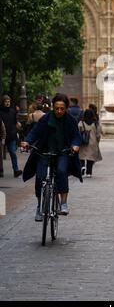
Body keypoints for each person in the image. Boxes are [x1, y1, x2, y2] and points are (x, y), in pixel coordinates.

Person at [21, 93, 82, 221]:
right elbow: (35, 132)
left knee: (61, 171)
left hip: (63, 152)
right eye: (57, 108)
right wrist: (27, 142)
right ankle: (39, 206)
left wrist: (75, 145)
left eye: (62, 108)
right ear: (53, 107)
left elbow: (76, 136)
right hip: (44, 153)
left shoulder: (70, 120)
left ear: (66, 108)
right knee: (40, 177)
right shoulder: (45, 119)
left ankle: (63, 203)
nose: (59, 111)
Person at [0, 95, 23, 177]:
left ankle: (16, 170)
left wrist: (18, 125)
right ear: (3, 102)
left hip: (11, 135)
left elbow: (15, 122)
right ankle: (1, 171)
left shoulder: (12, 111)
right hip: (2, 136)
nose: (7, 103)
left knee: (13, 153)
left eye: (8, 102)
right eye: (6, 102)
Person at [79, 109, 102, 177]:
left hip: (83, 142)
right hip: (92, 142)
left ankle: (82, 167)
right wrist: (97, 141)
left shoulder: (81, 122)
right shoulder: (95, 123)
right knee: (90, 158)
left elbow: (78, 132)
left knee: (82, 156)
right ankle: (89, 172)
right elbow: (98, 134)